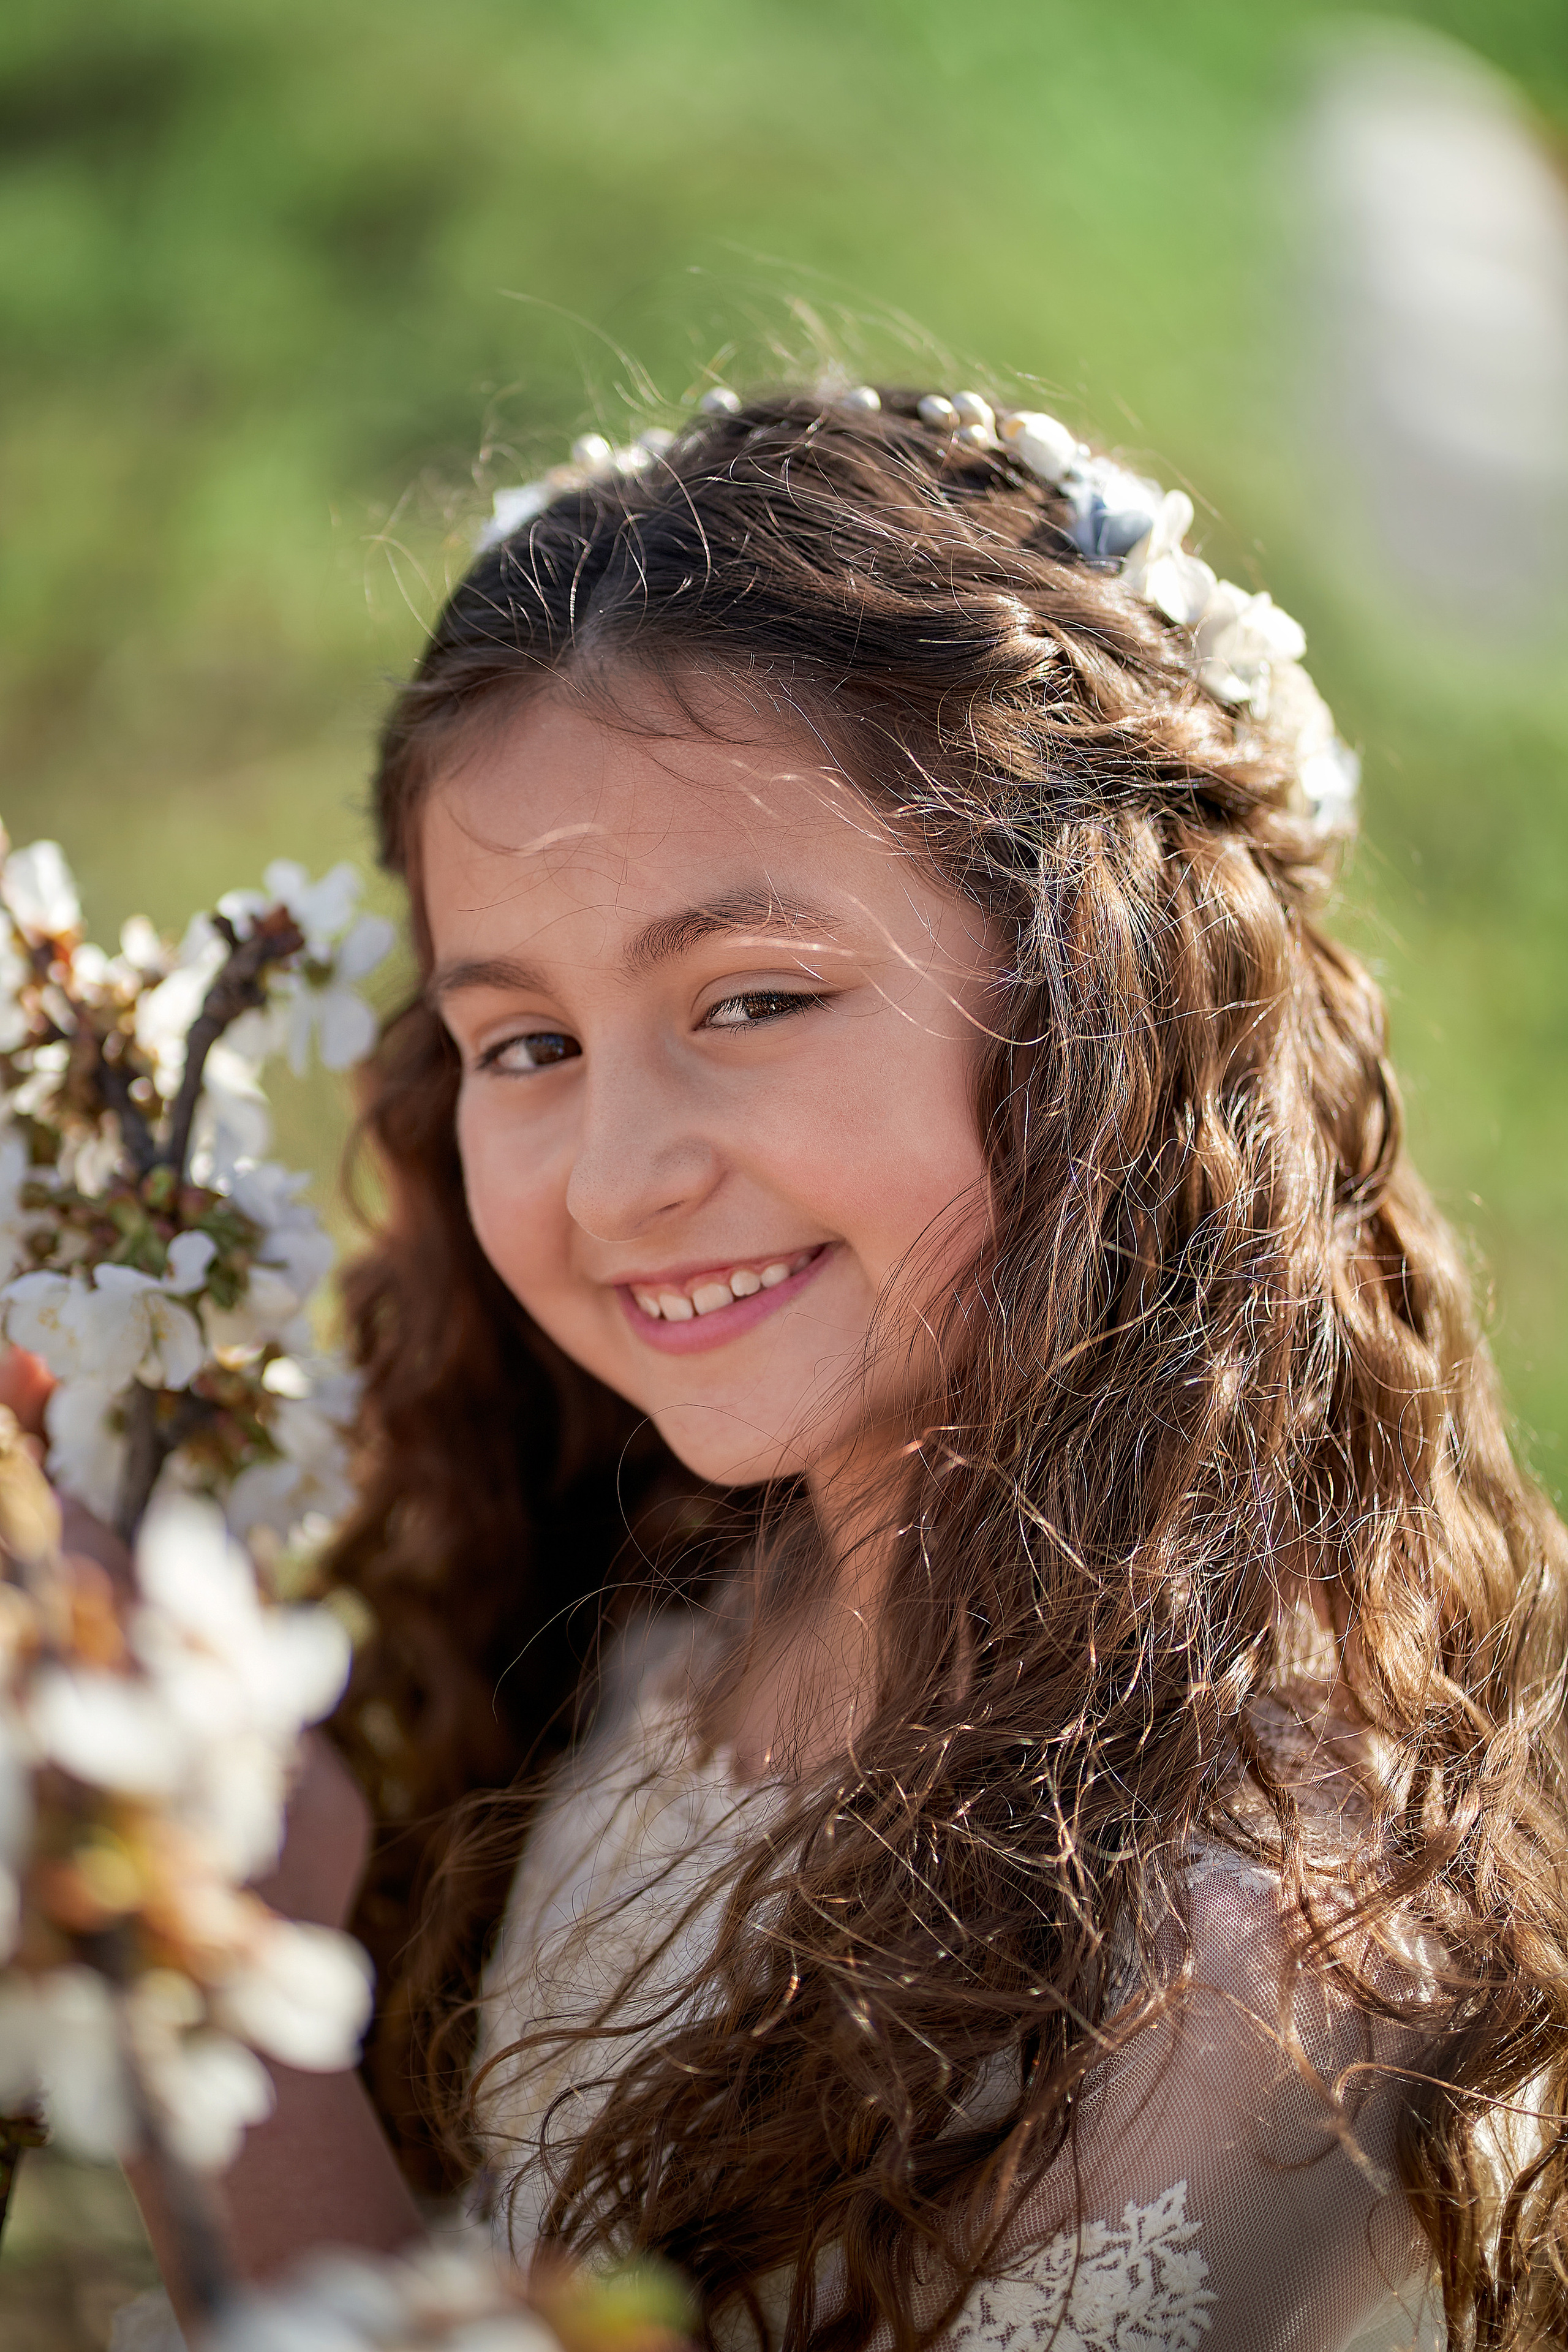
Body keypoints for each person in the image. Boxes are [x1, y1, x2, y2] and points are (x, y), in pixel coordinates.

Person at [147, 382, 1568, 2346]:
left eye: (754, 999)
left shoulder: (1258, 1940)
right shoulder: (686, 1623)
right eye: (525, 1043)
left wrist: (218, 1990)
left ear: (1105, 996)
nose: (625, 1180)